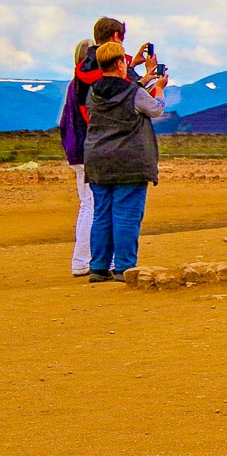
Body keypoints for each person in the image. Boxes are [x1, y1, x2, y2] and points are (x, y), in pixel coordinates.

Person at [83, 41, 167, 282]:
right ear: (120, 63)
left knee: (102, 214)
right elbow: (155, 109)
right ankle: (124, 268)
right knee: (126, 215)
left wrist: (144, 79)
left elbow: (122, 94)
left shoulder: (93, 92)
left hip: (98, 160)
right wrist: (159, 88)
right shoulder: (134, 93)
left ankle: (98, 267)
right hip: (130, 162)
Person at [59, 39, 95, 276]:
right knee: (92, 205)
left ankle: (81, 260)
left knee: (87, 204)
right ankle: (82, 260)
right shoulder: (85, 87)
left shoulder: (73, 86)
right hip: (88, 150)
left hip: (76, 151)